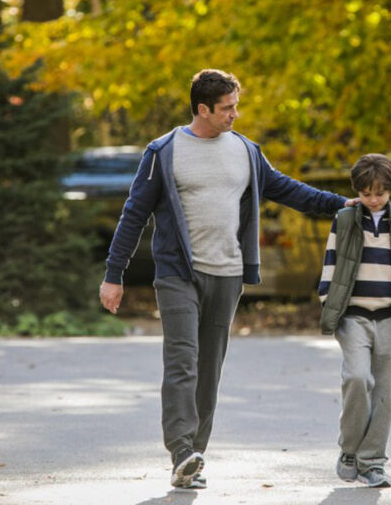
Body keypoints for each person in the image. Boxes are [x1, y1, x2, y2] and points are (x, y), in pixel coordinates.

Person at [99, 69, 354, 490]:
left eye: (236, 105)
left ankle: (193, 459)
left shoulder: (246, 151)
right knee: (182, 361)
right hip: (178, 272)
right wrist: (114, 274)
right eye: (228, 108)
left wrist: (340, 204)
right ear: (203, 109)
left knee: (209, 368)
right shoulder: (164, 152)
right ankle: (181, 449)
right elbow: (134, 213)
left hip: (228, 274)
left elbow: (286, 189)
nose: (235, 114)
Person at [317, 153, 391, 489]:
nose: (373, 199)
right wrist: (328, 302)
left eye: (380, 193)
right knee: (356, 377)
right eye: (366, 193)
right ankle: (349, 450)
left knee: (383, 391)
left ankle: (373, 462)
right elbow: (331, 264)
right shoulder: (345, 219)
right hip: (353, 316)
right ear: (358, 192)